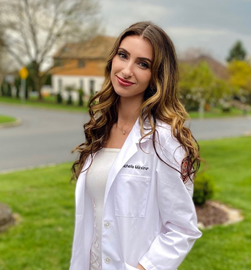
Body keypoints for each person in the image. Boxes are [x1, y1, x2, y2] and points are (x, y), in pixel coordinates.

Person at [70, 21, 202, 270]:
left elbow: (182, 228)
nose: (127, 70)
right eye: (123, 56)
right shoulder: (101, 131)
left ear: (157, 76)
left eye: (143, 64)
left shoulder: (163, 139)